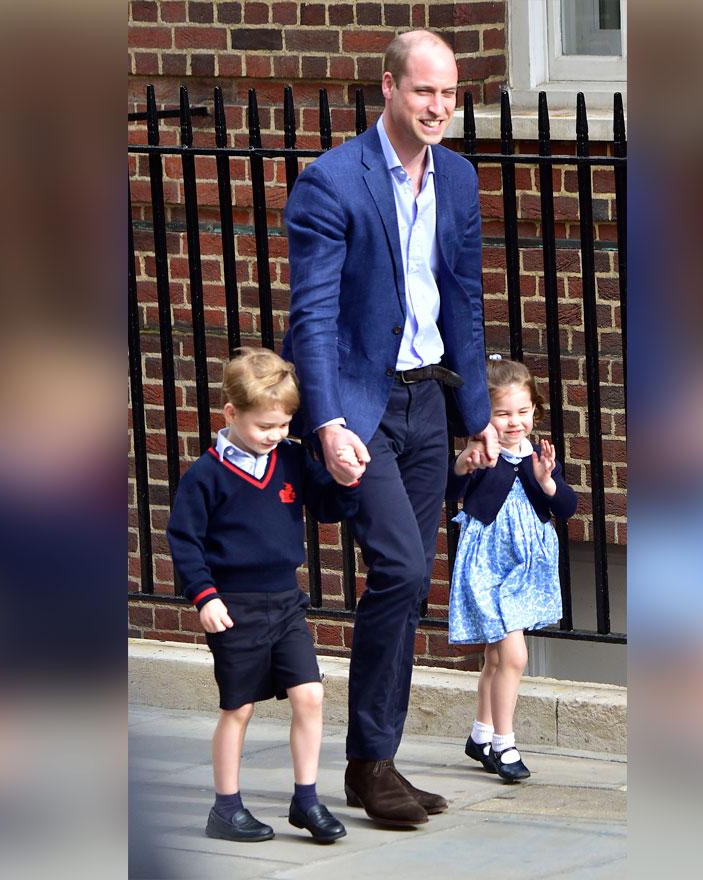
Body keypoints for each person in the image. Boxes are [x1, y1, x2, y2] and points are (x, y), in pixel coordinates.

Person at [281, 29, 499, 827]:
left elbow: (464, 300)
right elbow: (312, 315)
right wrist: (328, 421)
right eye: (424, 91)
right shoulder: (332, 182)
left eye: (449, 93)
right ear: (389, 89)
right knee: (403, 570)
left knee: (406, 590)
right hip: (362, 408)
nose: (439, 106)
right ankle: (369, 765)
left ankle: (376, 762)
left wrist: (476, 416)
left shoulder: (463, 180)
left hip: (429, 404)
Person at [166, 347, 359, 844]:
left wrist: (347, 480)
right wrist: (205, 597)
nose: (274, 436)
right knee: (239, 708)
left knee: (310, 694)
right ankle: (225, 808)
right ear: (231, 414)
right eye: (264, 426)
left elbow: (327, 505)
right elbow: (184, 540)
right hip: (234, 606)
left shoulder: (291, 458)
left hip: (285, 602)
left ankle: (307, 800)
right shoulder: (206, 476)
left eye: (283, 426)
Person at [446, 356, 578, 782]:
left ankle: (480, 735)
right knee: (514, 657)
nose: (514, 422)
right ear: (486, 415)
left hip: (526, 567)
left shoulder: (538, 455)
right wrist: (465, 464)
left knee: (495, 657)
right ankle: (504, 744)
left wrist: (548, 482)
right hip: (489, 565)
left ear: (534, 411)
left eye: (523, 412)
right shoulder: (483, 454)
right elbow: (453, 490)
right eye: (502, 413)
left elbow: (567, 508)